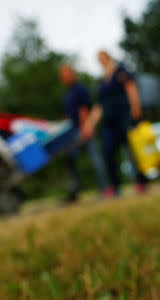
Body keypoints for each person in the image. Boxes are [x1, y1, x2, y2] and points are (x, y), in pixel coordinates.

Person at [83, 50, 147, 196]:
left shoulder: (121, 70)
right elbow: (99, 104)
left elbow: (131, 88)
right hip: (108, 120)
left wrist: (136, 107)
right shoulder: (101, 80)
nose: (101, 60)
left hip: (124, 116)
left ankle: (140, 181)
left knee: (131, 149)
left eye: (102, 57)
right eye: (98, 59)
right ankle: (115, 186)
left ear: (108, 57)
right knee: (108, 150)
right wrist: (90, 123)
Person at [59, 65, 109, 202]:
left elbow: (84, 109)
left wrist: (86, 127)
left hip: (83, 129)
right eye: (62, 76)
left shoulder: (79, 89)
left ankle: (104, 189)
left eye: (65, 75)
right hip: (71, 133)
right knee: (70, 160)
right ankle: (74, 192)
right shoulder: (67, 93)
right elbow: (67, 113)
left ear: (72, 75)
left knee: (95, 160)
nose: (63, 79)